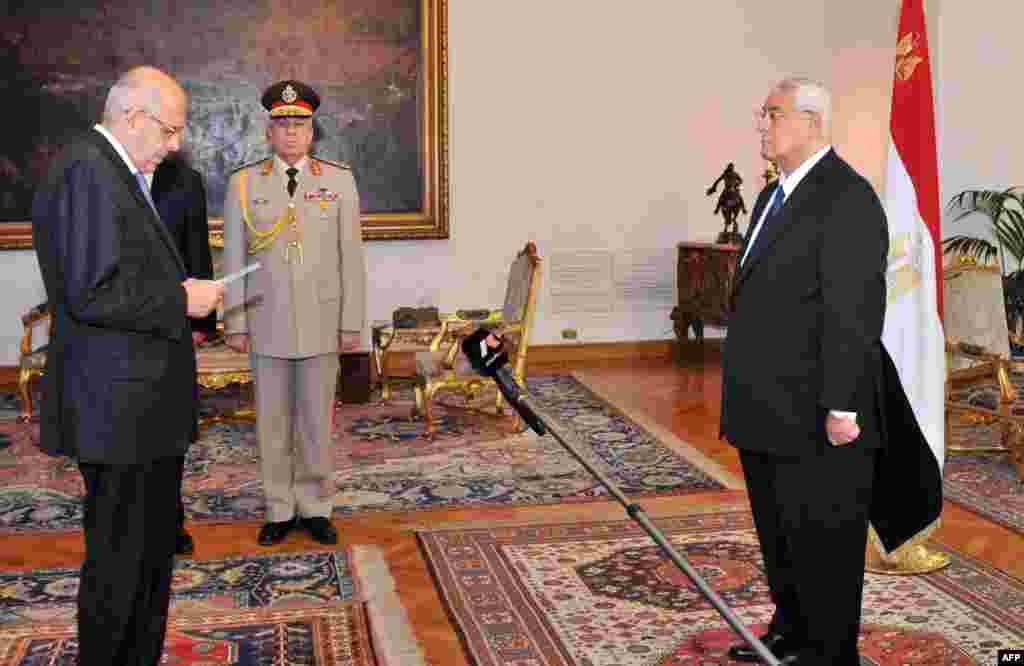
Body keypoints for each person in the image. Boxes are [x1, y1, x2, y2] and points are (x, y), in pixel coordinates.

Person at [31, 66, 224, 665]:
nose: (172, 146)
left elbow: (119, 276)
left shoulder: (109, 169)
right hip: (118, 412)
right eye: (168, 131)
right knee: (119, 566)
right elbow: (90, 291)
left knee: (146, 559)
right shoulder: (89, 169)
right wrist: (180, 299)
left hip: (138, 409)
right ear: (132, 117)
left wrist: (175, 285)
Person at [719, 77, 888, 664]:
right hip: (766, 406)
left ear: (813, 123)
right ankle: (791, 630)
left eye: (773, 113)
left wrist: (843, 405)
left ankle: (828, 651)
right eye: (762, 113)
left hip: (817, 410)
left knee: (825, 541)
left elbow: (854, 310)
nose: (762, 124)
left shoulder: (847, 196)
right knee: (780, 533)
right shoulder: (774, 194)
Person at [222, 79, 367, 547]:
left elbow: (352, 258)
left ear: (312, 131)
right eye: (282, 124)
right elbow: (234, 261)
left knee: (316, 421)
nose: (290, 133)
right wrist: (235, 321)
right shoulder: (244, 184)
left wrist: (351, 322)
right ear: (268, 130)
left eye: (299, 124)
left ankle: (316, 506)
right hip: (266, 322)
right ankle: (279, 508)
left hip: (323, 322)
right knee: (272, 422)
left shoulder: (338, 181)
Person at [151, 151, 217, 557]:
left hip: (176, 323)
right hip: (123, 323)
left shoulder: (185, 180)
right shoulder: (106, 178)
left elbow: (197, 251)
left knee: (172, 429)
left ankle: (171, 521)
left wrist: (201, 325)